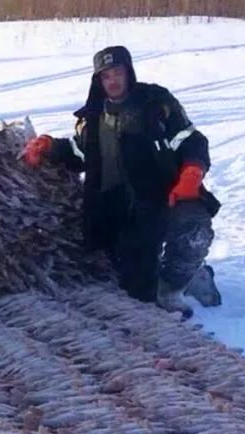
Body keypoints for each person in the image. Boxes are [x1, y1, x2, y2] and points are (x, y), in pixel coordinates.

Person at [21, 45, 221, 318]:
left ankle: (174, 287)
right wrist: (49, 146)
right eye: (106, 76)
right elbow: (81, 153)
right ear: (99, 80)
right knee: (136, 289)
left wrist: (192, 173)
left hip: (168, 193)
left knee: (192, 230)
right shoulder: (93, 117)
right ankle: (182, 276)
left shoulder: (156, 103)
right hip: (124, 207)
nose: (113, 81)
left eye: (117, 72)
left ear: (128, 72)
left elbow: (190, 140)